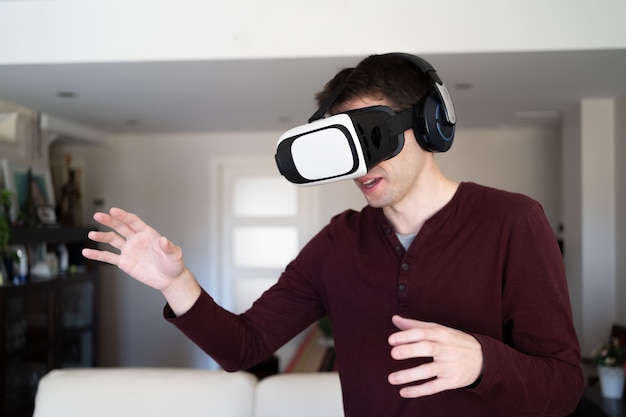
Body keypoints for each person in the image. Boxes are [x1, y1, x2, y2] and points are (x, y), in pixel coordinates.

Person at [82, 53, 584, 416]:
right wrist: (175, 281)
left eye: (371, 139)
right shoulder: (338, 243)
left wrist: (482, 361)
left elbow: (563, 386)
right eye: (346, 148)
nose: (360, 167)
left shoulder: (513, 222)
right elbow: (245, 346)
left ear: (429, 125)